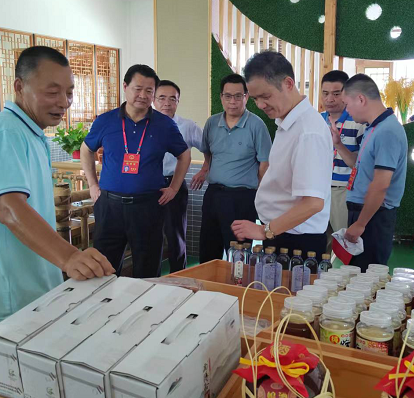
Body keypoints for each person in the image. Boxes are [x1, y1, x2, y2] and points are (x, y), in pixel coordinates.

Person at [0, 46, 115, 325]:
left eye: (69, 92)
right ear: (20, 87)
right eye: (52, 92)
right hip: (11, 289)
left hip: (31, 285)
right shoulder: (6, 132)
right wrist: (69, 257)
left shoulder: (31, 133)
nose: (64, 102)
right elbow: (9, 208)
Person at [80, 65, 190, 278]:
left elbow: (184, 155)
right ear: (125, 87)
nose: (143, 95)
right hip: (110, 205)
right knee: (104, 267)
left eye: (149, 91)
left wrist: (174, 188)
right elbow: (86, 150)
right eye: (138, 89)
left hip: (147, 206)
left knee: (147, 269)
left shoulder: (164, 125)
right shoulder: (105, 121)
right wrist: (92, 184)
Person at [231, 51, 332, 259]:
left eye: (266, 96)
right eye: (255, 98)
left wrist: (265, 231)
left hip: (297, 239)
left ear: (288, 83)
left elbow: (313, 203)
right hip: (282, 232)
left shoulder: (308, 132)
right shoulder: (288, 122)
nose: (260, 105)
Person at [192, 73, 271, 262]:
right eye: (228, 96)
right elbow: (208, 151)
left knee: (238, 253)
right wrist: (205, 169)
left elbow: (265, 163)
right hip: (213, 195)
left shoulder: (256, 125)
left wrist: (258, 192)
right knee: (208, 248)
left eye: (238, 96)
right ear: (221, 97)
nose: (232, 102)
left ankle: (237, 281)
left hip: (242, 198)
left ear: (246, 97)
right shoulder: (212, 123)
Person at [336, 74, 407, 272]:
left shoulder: (387, 131)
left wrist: (361, 223)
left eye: (347, 104)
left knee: (368, 277)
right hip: (364, 212)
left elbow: (381, 184)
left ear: (361, 99)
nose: (347, 111)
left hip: (373, 216)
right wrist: (338, 144)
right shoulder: (373, 128)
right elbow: (358, 166)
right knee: (356, 273)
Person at [153, 79, 204, 272]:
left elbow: (209, 148)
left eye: (172, 99)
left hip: (174, 183)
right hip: (148, 186)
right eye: (162, 98)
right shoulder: (144, 124)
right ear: (153, 100)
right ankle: (151, 278)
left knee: (175, 236)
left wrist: (204, 170)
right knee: (150, 236)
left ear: (178, 101)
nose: (167, 103)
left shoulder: (187, 126)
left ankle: (179, 277)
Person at [320, 70, 365, 239]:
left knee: (342, 242)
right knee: (319, 242)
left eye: (336, 94)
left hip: (343, 191)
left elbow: (359, 164)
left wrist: (338, 144)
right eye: (325, 93)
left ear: (347, 94)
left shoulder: (358, 122)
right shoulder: (317, 121)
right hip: (318, 190)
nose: (329, 99)